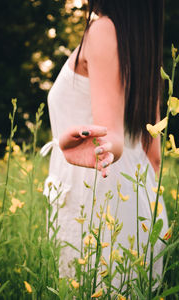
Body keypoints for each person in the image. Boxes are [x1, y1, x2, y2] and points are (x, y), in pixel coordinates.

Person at [40, 0, 168, 283]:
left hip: (97, 198)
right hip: (136, 198)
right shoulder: (140, 45)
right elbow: (154, 155)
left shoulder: (103, 31)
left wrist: (105, 147)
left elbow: (107, 134)